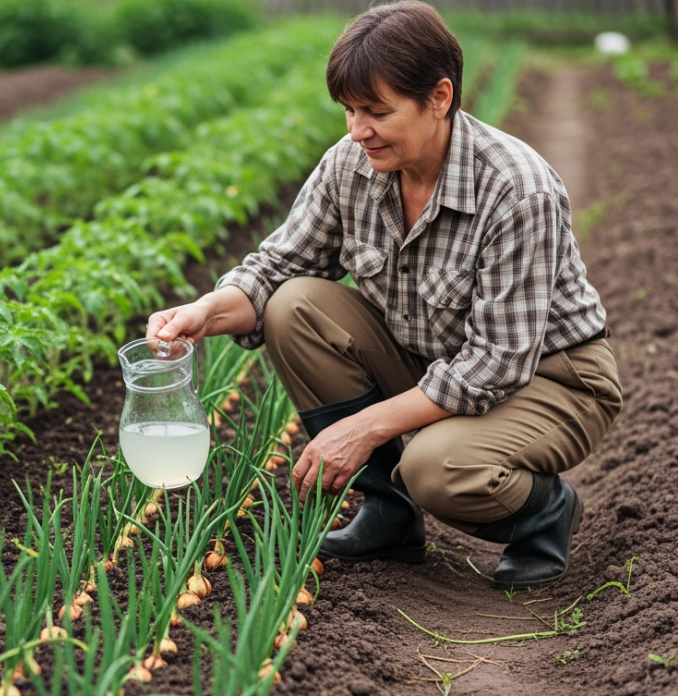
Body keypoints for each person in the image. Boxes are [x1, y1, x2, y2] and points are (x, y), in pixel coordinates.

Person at [146, 1, 622, 589]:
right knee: (294, 305)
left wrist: (366, 426)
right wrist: (202, 314)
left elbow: (495, 366)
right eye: (349, 110)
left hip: (551, 377)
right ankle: (389, 516)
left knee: (437, 468)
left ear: (440, 98)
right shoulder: (351, 166)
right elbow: (275, 270)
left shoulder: (516, 189)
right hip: (436, 360)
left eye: (376, 111)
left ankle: (544, 513)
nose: (357, 130)